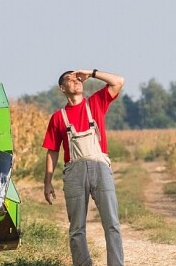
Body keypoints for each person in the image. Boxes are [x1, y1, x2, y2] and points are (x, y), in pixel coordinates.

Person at [42, 69, 125, 266]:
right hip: (74, 172)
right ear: (62, 88)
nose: (76, 81)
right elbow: (52, 151)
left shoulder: (96, 103)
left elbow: (118, 82)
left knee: (112, 223)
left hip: (100, 166)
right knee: (77, 228)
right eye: (70, 79)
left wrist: (92, 72)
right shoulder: (58, 118)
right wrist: (47, 182)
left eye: (77, 78)